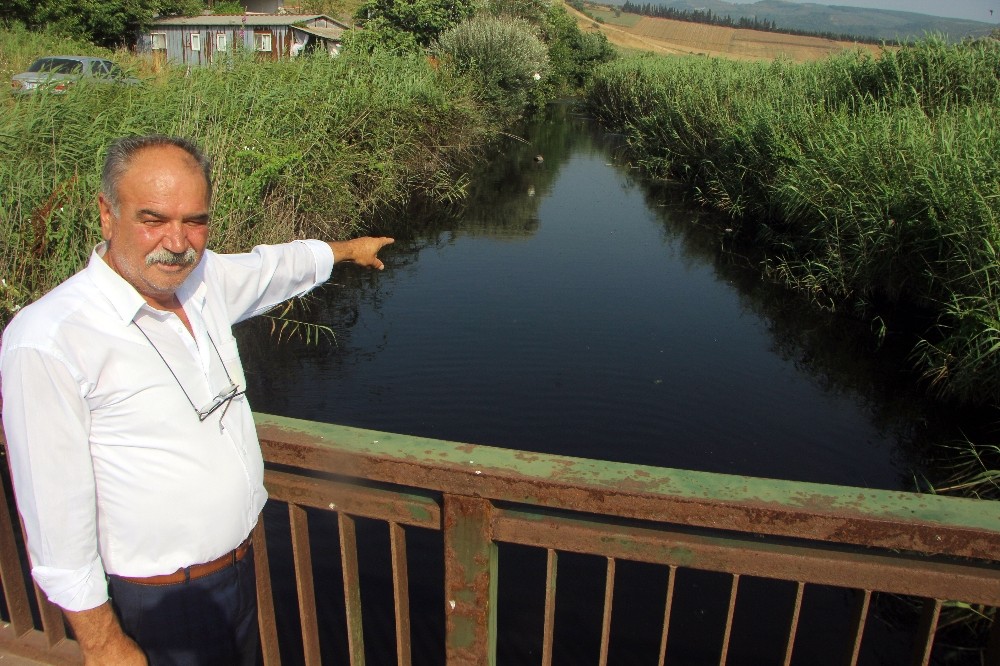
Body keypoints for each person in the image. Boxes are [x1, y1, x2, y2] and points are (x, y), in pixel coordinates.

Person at [0, 135, 394, 665]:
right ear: (106, 215)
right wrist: (103, 642)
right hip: (158, 600)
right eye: (153, 218)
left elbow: (270, 268)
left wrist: (346, 251)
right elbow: (54, 515)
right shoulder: (49, 339)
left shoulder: (199, 283)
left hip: (236, 573)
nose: (177, 241)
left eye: (194, 220)